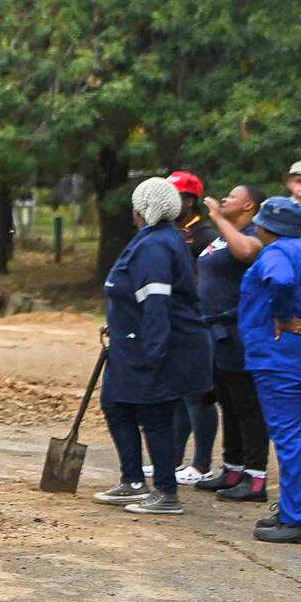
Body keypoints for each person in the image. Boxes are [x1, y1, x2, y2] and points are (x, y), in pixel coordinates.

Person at [91, 177, 213, 518]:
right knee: (115, 403)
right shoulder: (151, 240)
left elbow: (156, 303)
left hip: (156, 345)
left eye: (136, 205)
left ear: (144, 209)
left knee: (155, 414)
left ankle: (166, 492)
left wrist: (154, 353)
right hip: (131, 341)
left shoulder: (157, 246)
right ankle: (132, 480)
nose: (132, 212)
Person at [239, 197, 301, 545]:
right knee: (298, 434)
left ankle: (299, 520)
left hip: (279, 358)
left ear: (265, 227)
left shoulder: (275, 253)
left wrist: (283, 316)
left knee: (289, 438)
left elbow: (281, 281)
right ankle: (292, 510)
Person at [194, 185, 270, 501]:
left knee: (247, 404)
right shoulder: (221, 236)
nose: (224, 198)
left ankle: (256, 478)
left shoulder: (252, 234)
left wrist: (215, 215)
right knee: (227, 401)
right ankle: (232, 468)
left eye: (232, 196)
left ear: (249, 204)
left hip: (238, 332)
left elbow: (248, 253)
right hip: (215, 332)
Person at [167, 170, 220, 483]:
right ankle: (173, 460)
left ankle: (202, 464)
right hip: (174, 321)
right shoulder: (168, 232)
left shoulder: (203, 235)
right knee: (176, 394)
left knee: (198, 396)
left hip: (198, 323)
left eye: (177, 196)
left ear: (190, 200)